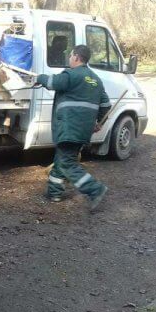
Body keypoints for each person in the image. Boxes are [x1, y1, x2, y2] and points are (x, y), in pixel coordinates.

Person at [35, 45, 110, 211]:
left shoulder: (71, 74)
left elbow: (52, 82)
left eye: (70, 56)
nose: (69, 59)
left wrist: (39, 77)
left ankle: (95, 189)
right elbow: (106, 104)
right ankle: (54, 192)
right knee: (62, 159)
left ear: (76, 57)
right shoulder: (96, 80)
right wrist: (99, 122)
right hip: (84, 130)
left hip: (68, 127)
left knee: (67, 163)